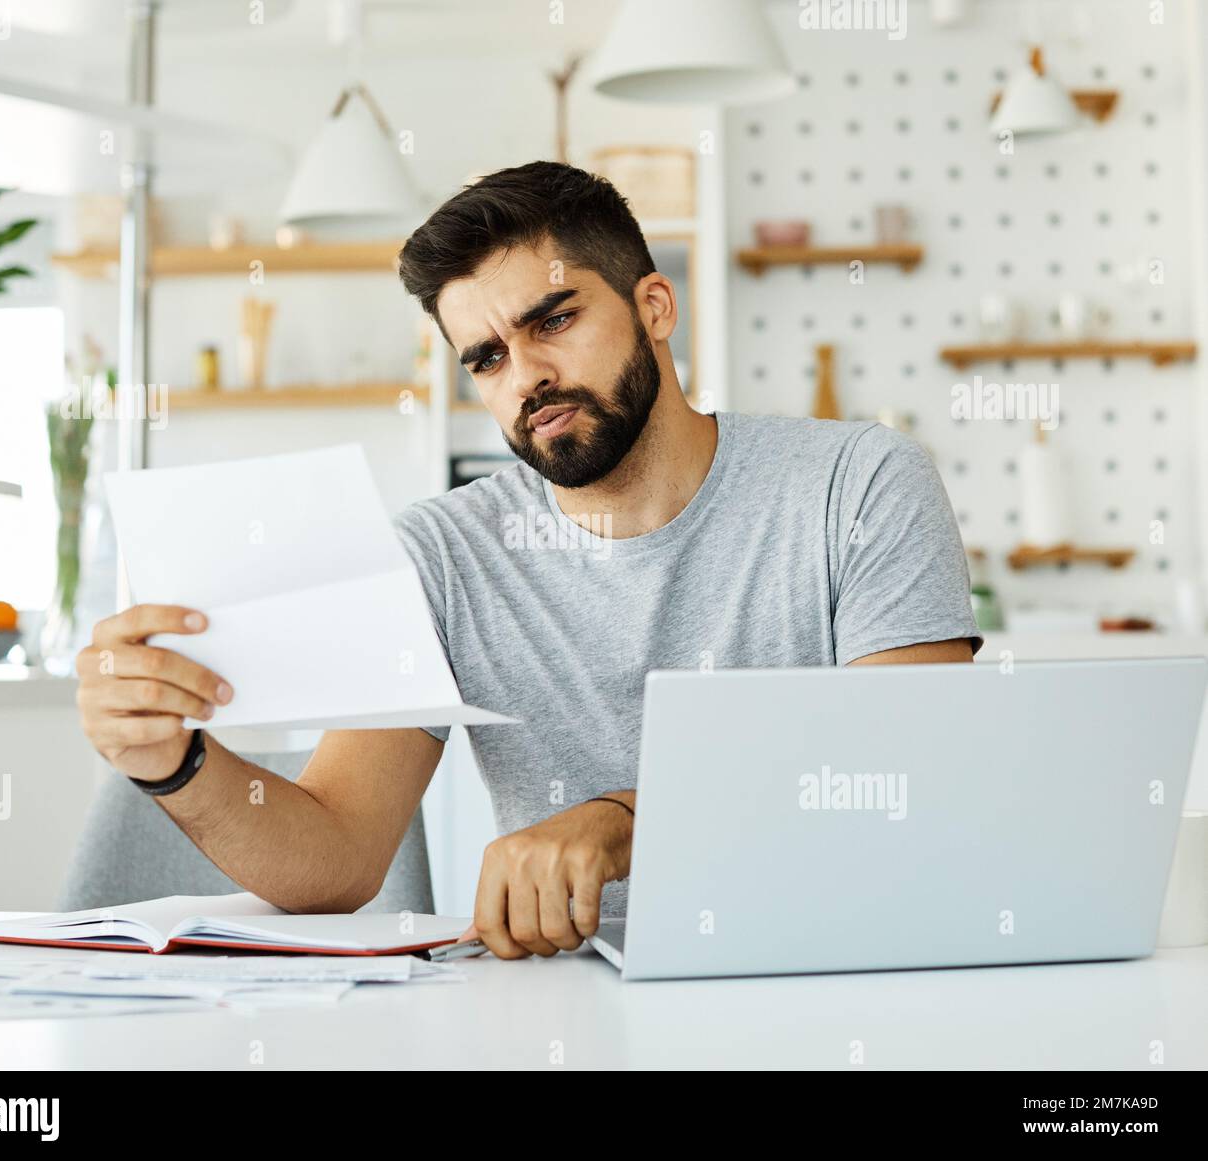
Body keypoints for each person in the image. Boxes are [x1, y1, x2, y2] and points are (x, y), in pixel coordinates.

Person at [76, 161, 983, 960]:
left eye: (552, 319)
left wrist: (620, 821)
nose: (525, 377)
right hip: (568, 1012)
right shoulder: (441, 554)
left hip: (842, 978)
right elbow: (339, 859)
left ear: (655, 306)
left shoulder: (860, 484)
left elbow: (905, 775)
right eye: (488, 357)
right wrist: (176, 762)